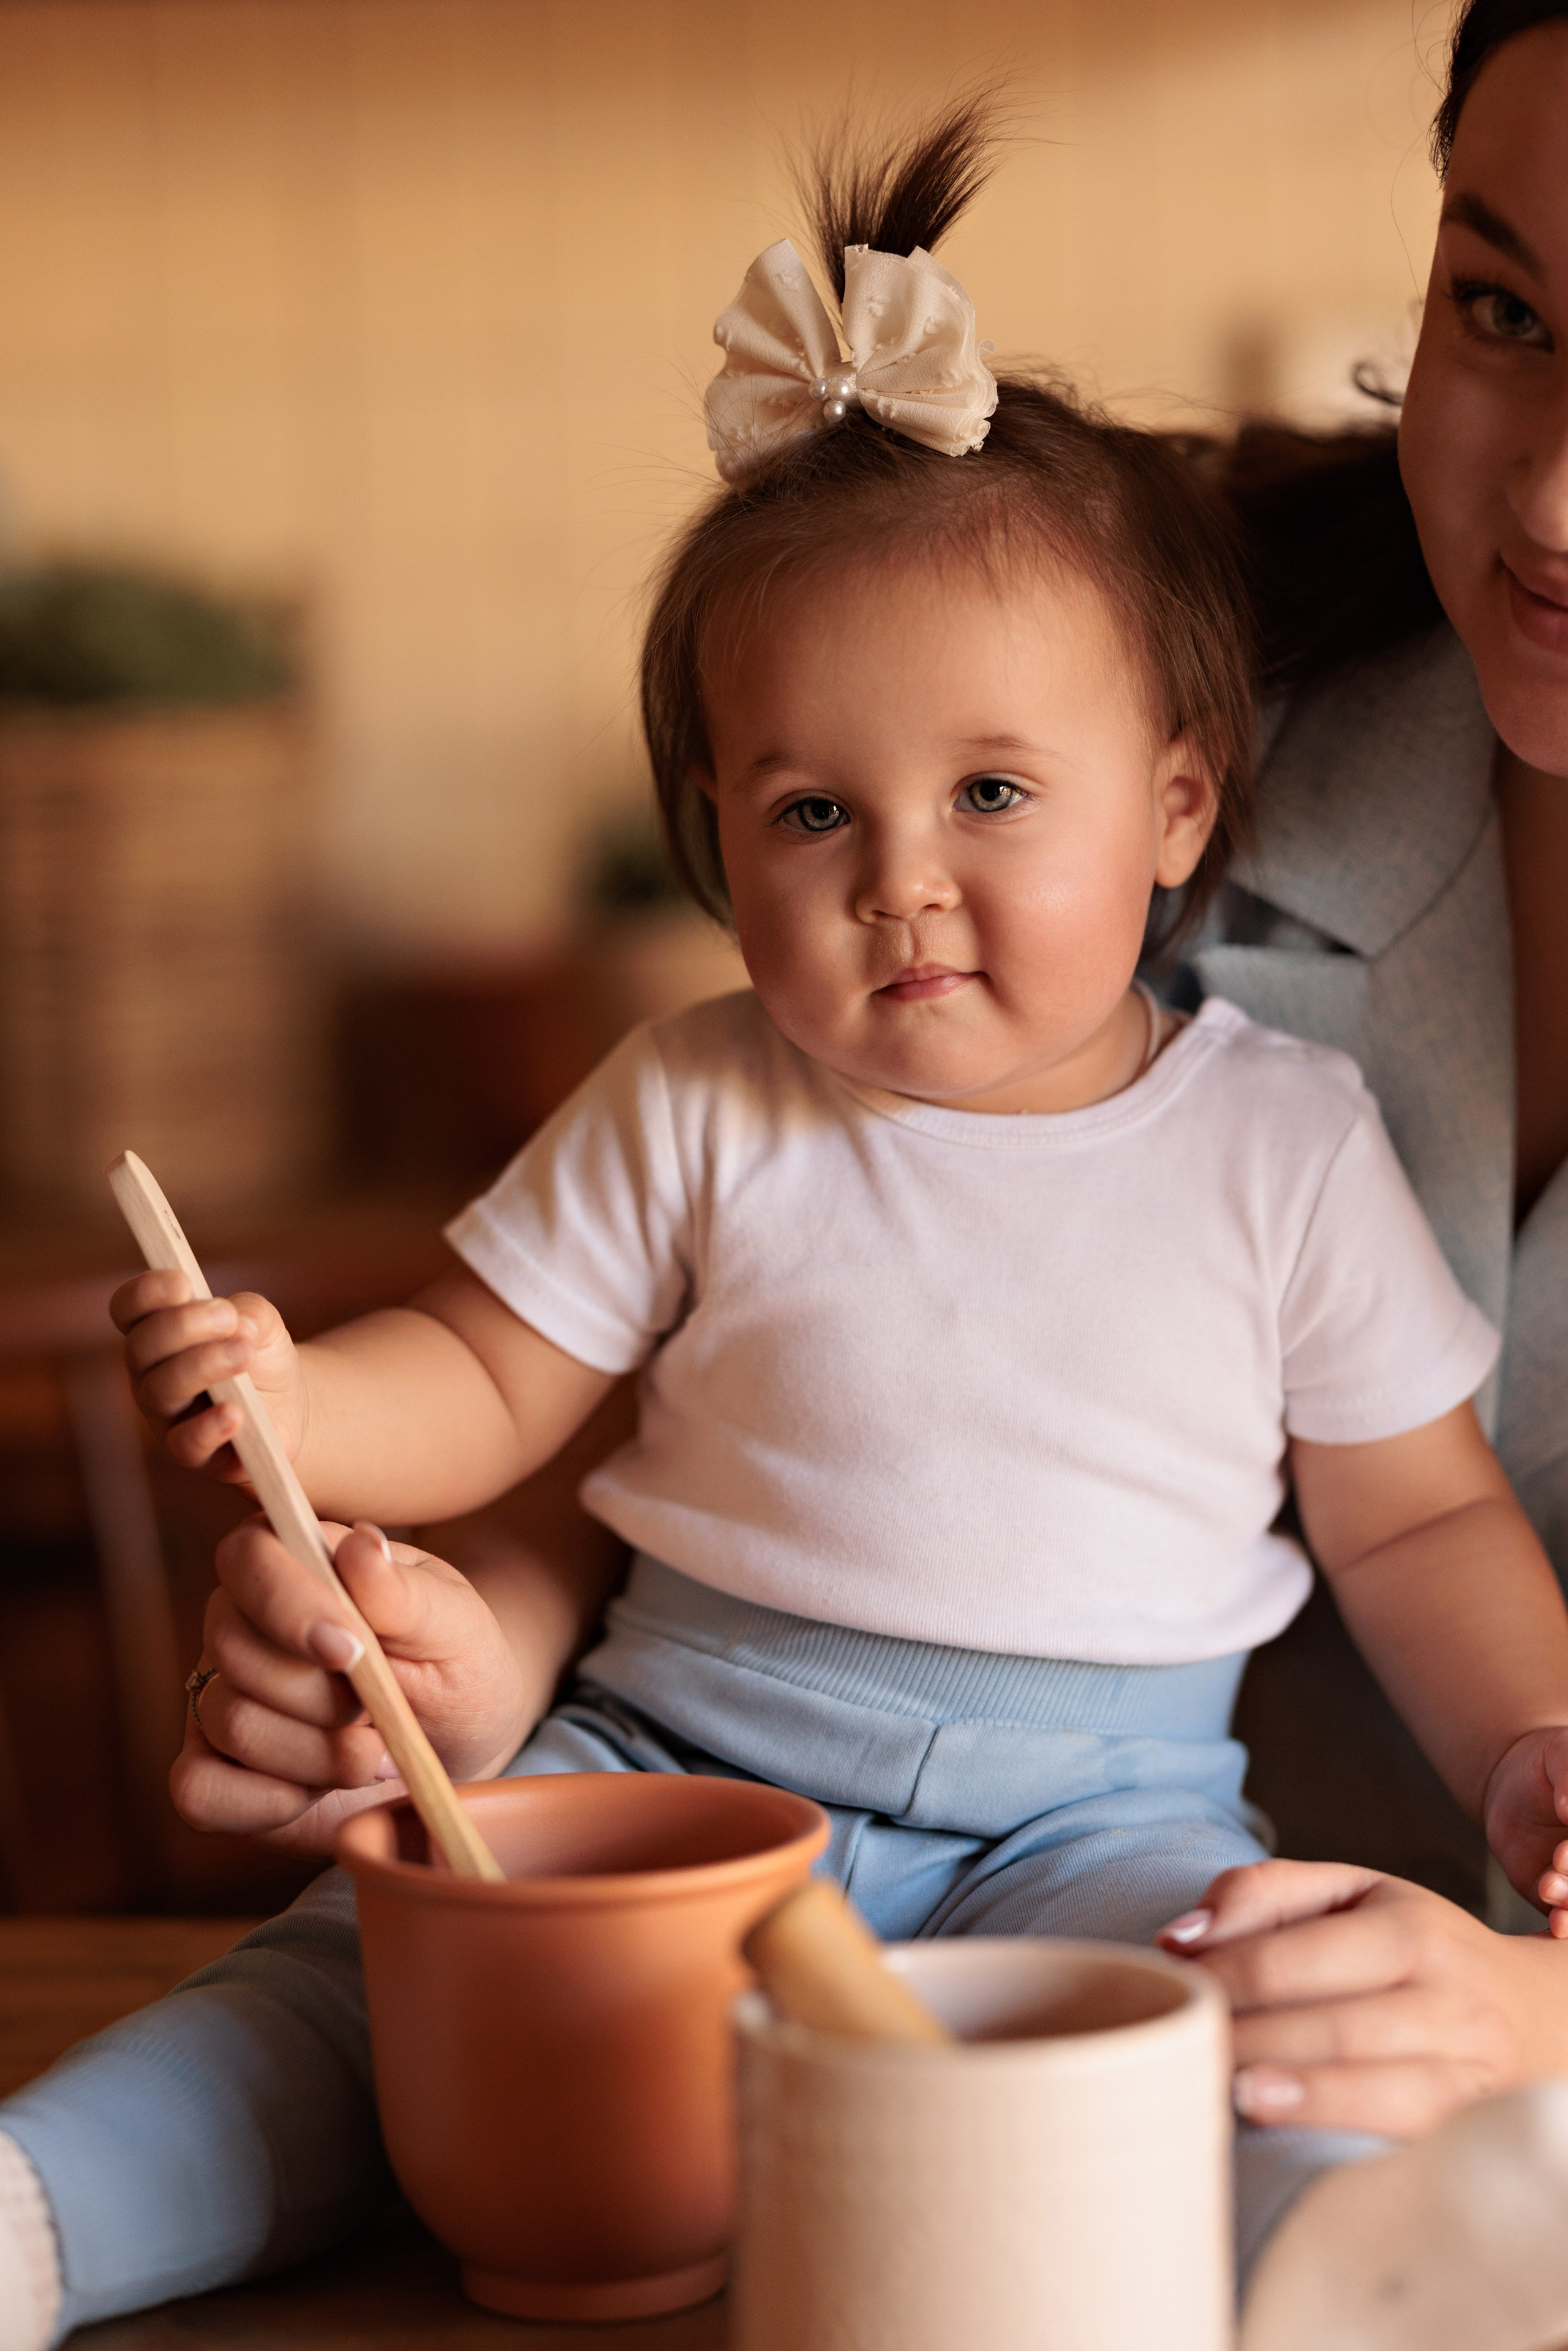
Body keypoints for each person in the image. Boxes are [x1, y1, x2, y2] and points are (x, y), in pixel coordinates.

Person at [6, 94, 1568, 2351]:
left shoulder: (1283, 1145)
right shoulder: (703, 1093)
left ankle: (1343, 2283)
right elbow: (485, 1370)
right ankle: (43, 2211)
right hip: (667, 1759)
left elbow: (1417, 1529)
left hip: (1103, 1822)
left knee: (1244, 2050)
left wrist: (1534, 1748)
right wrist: (296, 1398)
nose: (899, 877)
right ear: (714, 839)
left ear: (1180, 808)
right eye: (811, 808)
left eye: (993, 796)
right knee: (367, 1975)